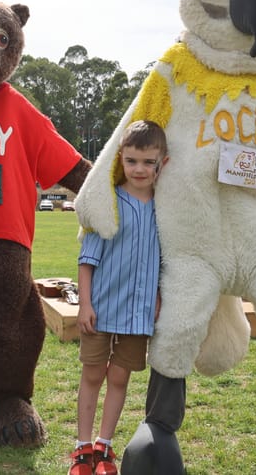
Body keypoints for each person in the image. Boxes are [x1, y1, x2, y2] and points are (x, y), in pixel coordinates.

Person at [70, 120, 168, 475]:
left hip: (137, 314)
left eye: (148, 161)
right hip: (101, 309)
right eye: (132, 161)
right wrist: (85, 304)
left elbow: (164, 260)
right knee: (93, 374)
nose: (139, 169)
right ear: (120, 159)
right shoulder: (107, 201)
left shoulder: (166, 209)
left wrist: (158, 296)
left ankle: (104, 445)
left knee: (120, 378)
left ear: (162, 162)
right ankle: (82, 448)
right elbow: (87, 260)